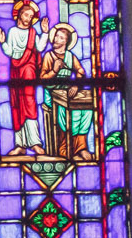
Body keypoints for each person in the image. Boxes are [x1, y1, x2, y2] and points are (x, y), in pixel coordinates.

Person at [0, 0, 46, 157]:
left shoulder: (33, 33)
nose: (28, 18)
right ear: (19, 14)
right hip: (15, 71)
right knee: (16, 105)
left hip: (29, 70)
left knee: (29, 103)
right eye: (26, 14)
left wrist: (44, 32)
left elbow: (40, 47)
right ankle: (20, 144)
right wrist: (3, 43)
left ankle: (35, 143)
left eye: (31, 16)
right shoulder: (13, 32)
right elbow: (10, 52)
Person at [40, 22, 97, 161]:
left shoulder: (70, 56)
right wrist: (54, 70)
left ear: (66, 42)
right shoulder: (49, 56)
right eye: (56, 36)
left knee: (85, 110)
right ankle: (64, 148)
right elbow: (42, 78)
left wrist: (76, 85)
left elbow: (80, 71)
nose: (55, 39)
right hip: (52, 94)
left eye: (60, 38)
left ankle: (80, 148)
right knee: (65, 111)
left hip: (67, 91)